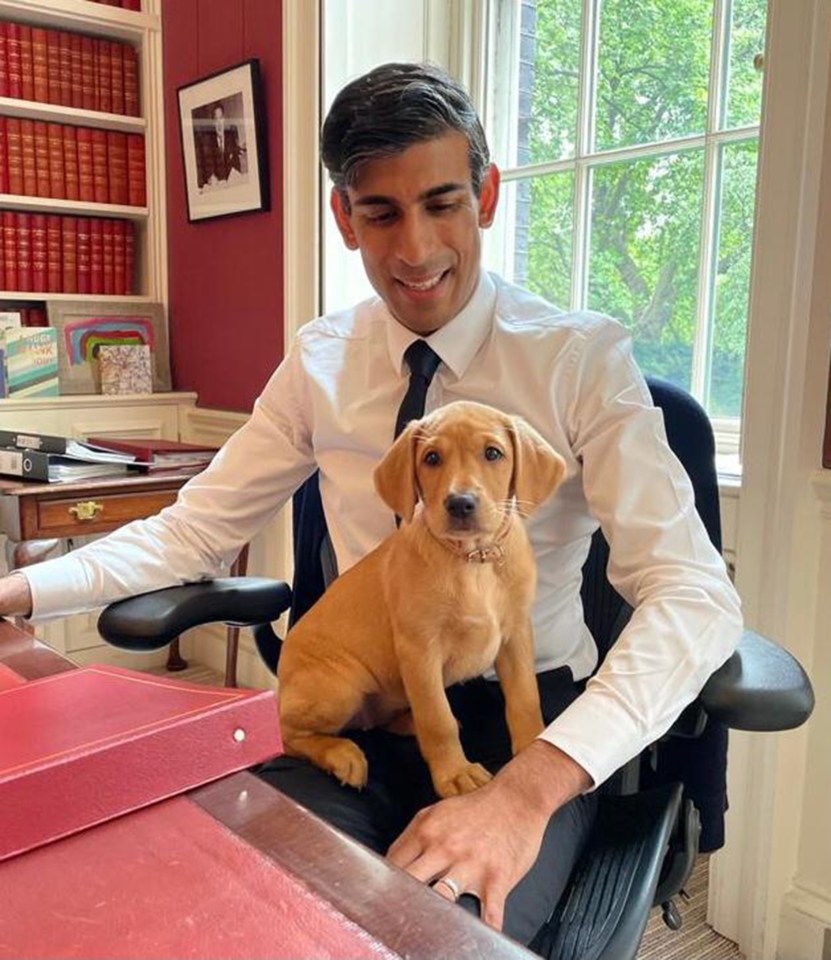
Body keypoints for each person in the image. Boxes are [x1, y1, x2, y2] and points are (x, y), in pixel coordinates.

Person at [0, 63, 742, 949]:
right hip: (360, 709)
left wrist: (529, 789)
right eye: (381, 214)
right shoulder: (319, 359)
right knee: (220, 913)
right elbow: (196, 528)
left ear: (488, 196)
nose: (416, 249)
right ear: (343, 217)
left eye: (442, 204)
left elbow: (693, 594)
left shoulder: (580, 361)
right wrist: (18, 591)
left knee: (422, 936)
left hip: (521, 729)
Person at [197, 101, 243, 188]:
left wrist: (236, 174)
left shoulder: (231, 135)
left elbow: (236, 162)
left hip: (232, 184)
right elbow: (207, 164)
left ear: (224, 119)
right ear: (213, 122)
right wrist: (210, 176)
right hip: (218, 186)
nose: (219, 123)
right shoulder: (209, 141)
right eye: (216, 119)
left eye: (221, 118)